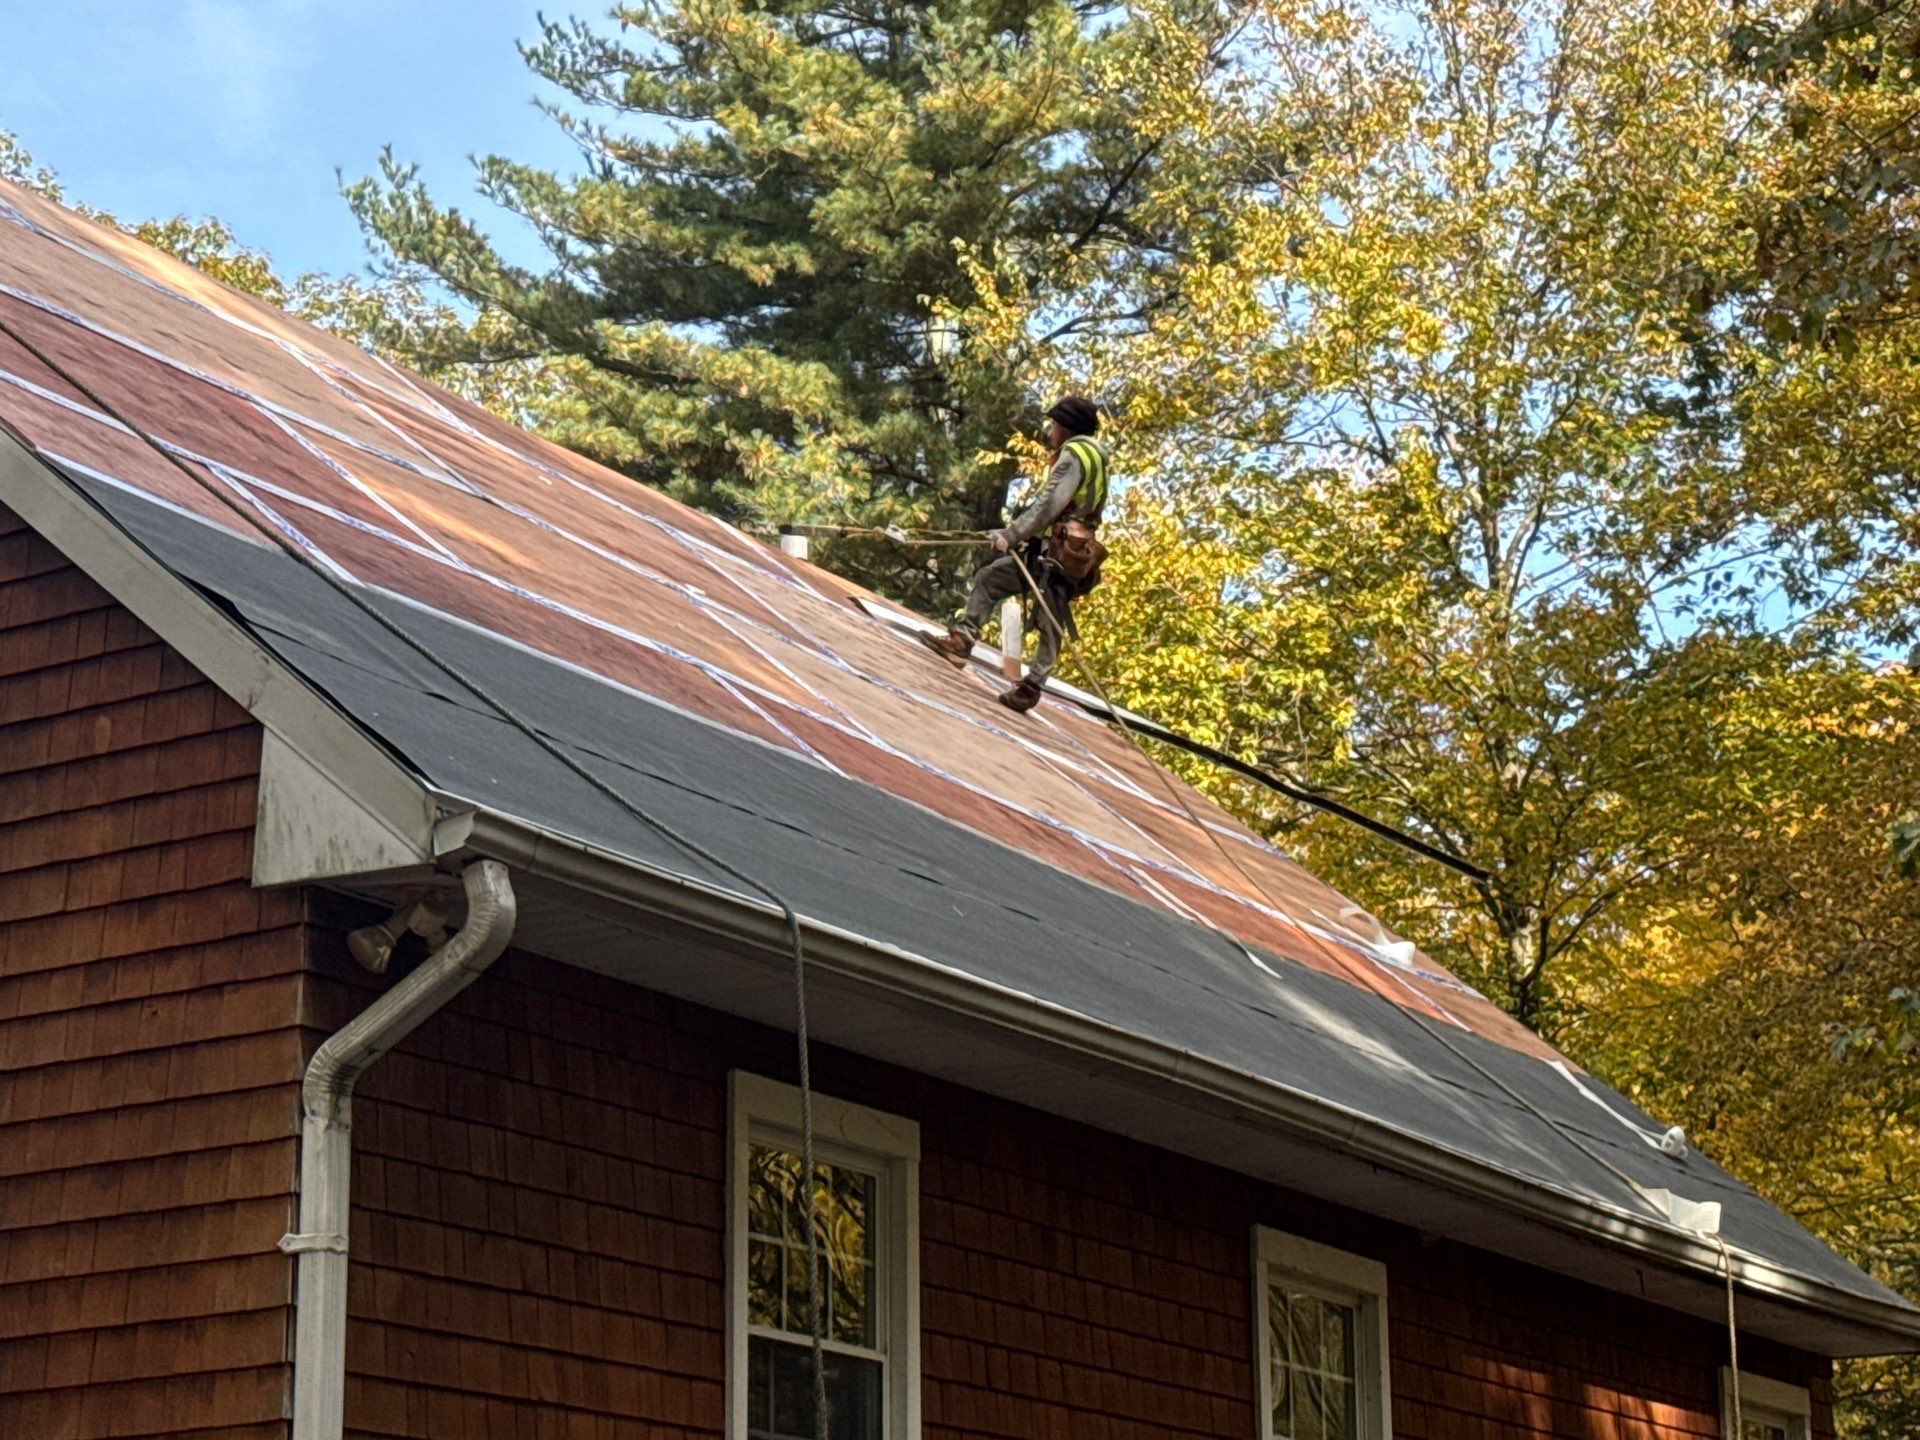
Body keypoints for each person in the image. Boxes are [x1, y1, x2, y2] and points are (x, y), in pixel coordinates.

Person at [919, 396, 1110, 712]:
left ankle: (1031, 686)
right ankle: (962, 642)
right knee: (992, 580)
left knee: (1050, 617)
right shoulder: (1096, 457)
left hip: (1059, 552)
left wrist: (1011, 535)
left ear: (1066, 428)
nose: (1050, 432)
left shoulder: (1074, 455)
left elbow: (1048, 505)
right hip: (1063, 548)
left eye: (1054, 426)